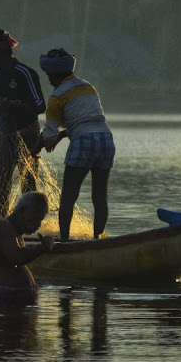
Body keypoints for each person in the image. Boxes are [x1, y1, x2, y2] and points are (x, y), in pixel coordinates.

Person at [37, 48, 115, 241]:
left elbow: (49, 133)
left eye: (49, 75)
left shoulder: (57, 96)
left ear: (55, 75)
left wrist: (38, 146)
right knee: (99, 196)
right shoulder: (88, 87)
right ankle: (98, 239)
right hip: (106, 138)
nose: (49, 80)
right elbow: (87, 119)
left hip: (83, 141)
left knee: (69, 196)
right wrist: (63, 136)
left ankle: (63, 241)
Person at [0, 28, 46, 217]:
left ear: (1, 52)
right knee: (2, 183)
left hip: (27, 134)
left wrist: (15, 106)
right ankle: (2, 221)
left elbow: (40, 106)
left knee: (28, 184)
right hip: (3, 136)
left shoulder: (25, 73)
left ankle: (32, 224)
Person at [0, 191, 55, 308]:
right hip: (3, 305)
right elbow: (17, 257)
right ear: (21, 211)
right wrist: (42, 247)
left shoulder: (16, 233)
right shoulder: (3, 227)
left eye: (40, 220)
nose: (38, 225)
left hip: (13, 304)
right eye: (35, 219)